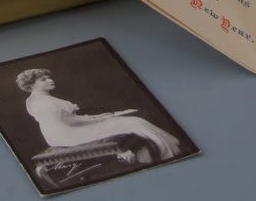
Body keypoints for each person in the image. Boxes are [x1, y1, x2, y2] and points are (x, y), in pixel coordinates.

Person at [16, 68, 181, 161]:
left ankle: (157, 155)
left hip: (67, 129)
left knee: (132, 121)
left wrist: (110, 115)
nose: (50, 80)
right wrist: (108, 117)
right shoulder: (43, 102)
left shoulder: (41, 98)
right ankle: (166, 155)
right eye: (43, 80)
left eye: (48, 77)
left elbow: (73, 119)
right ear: (31, 86)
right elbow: (72, 122)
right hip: (66, 134)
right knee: (133, 122)